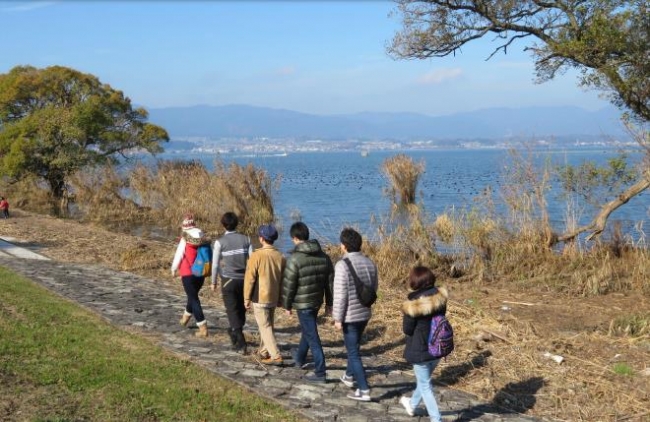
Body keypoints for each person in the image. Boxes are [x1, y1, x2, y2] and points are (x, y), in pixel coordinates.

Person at [281, 221, 334, 383]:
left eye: (293, 239)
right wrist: (329, 303)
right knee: (308, 329)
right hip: (316, 301)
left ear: (296, 238)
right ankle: (299, 358)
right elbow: (329, 283)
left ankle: (320, 372)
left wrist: (287, 305)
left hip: (302, 304)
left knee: (312, 335)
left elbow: (289, 285)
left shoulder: (294, 259)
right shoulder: (324, 257)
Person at [333, 227, 378, 401]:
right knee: (355, 346)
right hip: (365, 313)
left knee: (353, 352)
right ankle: (349, 376)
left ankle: (364, 390)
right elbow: (374, 289)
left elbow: (340, 295)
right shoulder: (370, 263)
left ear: (344, 246)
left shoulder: (342, 265)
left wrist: (338, 318)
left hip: (350, 316)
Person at [400, 266, 448, 422]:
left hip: (420, 350)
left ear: (415, 282)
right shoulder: (440, 297)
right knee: (424, 381)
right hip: (438, 346)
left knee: (426, 386)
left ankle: (436, 419)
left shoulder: (413, 305)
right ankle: (412, 404)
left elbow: (407, 329)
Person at [210, 212, 253, 354]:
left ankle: (240, 340)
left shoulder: (219, 242)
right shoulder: (246, 239)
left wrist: (213, 281)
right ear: (237, 224)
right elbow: (252, 261)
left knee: (232, 309)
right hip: (245, 279)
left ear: (223, 225)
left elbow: (215, 264)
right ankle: (235, 331)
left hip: (228, 279)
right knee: (241, 308)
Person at [243, 224, 286, 365]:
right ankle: (263, 351)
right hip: (273, 296)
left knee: (265, 326)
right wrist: (281, 298)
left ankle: (276, 355)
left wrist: (246, 298)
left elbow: (249, 279)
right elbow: (283, 280)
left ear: (261, 239)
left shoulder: (256, 255)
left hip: (259, 296)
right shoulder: (280, 256)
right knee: (268, 325)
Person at [171, 216, 210, 338]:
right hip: (201, 272)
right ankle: (185, 318)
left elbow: (179, 254)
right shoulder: (203, 236)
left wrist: (173, 268)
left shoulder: (185, 238)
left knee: (193, 299)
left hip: (188, 273)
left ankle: (203, 328)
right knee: (192, 296)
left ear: (185, 227)